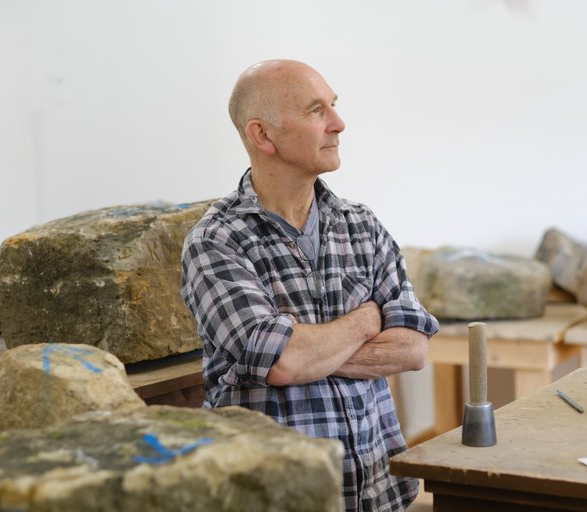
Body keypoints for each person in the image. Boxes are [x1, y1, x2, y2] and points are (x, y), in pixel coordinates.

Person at [181, 59, 439, 512]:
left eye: (333, 106)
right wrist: (366, 319)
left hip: (377, 492)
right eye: (316, 110)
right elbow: (283, 362)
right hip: (274, 498)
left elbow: (412, 350)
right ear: (263, 136)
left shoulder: (362, 225)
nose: (338, 124)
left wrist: (306, 352)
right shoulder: (215, 241)